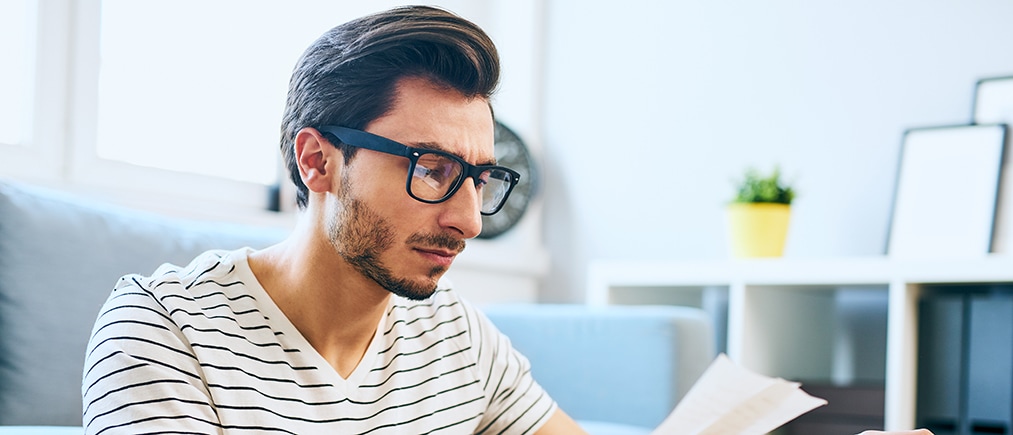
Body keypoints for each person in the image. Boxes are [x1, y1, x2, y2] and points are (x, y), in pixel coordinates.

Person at [81, 5, 935, 435]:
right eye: (432, 169)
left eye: (479, 178)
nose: (464, 216)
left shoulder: (458, 336)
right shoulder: (161, 328)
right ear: (317, 160)